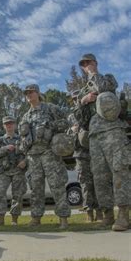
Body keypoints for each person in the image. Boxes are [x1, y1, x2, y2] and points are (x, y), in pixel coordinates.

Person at [76, 53, 129, 231]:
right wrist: (83, 101)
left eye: (89, 62)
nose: (86, 66)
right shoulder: (83, 91)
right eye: (84, 64)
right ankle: (107, 214)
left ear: (95, 63)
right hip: (94, 135)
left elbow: (103, 88)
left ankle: (123, 214)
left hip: (113, 129)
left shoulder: (107, 78)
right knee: (99, 175)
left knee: (119, 170)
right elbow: (80, 119)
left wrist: (93, 75)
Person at [19, 84, 71, 228]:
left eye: (31, 92)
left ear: (38, 93)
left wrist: (50, 125)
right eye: (26, 93)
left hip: (50, 153)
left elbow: (65, 123)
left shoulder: (50, 108)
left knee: (57, 185)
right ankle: (36, 218)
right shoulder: (25, 116)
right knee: (36, 188)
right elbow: (22, 138)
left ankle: (63, 218)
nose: (28, 95)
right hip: (33, 156)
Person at [67, 90, 101, 222]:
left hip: (95, 150)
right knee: (85, 184)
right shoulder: (71, 116)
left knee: (98, 181)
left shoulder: (92, 110)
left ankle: (100, 211)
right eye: (73, 98)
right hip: (80, 153)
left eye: (77, 97)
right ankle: (89, 212)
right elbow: (66, 135)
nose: (76, 100)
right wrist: (72, 130)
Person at [0, 116, 27, 225]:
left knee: (17, 195)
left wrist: (25, 162)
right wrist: (5, 148)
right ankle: (0, 219)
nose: (9, 125)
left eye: (11, 123)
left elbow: (29, 153)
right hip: (4, 171)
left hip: (18, 170)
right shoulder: (0, 140)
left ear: (15, 125)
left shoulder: (21, 138)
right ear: (4, 126)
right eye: (7, 124)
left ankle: (14, 220)